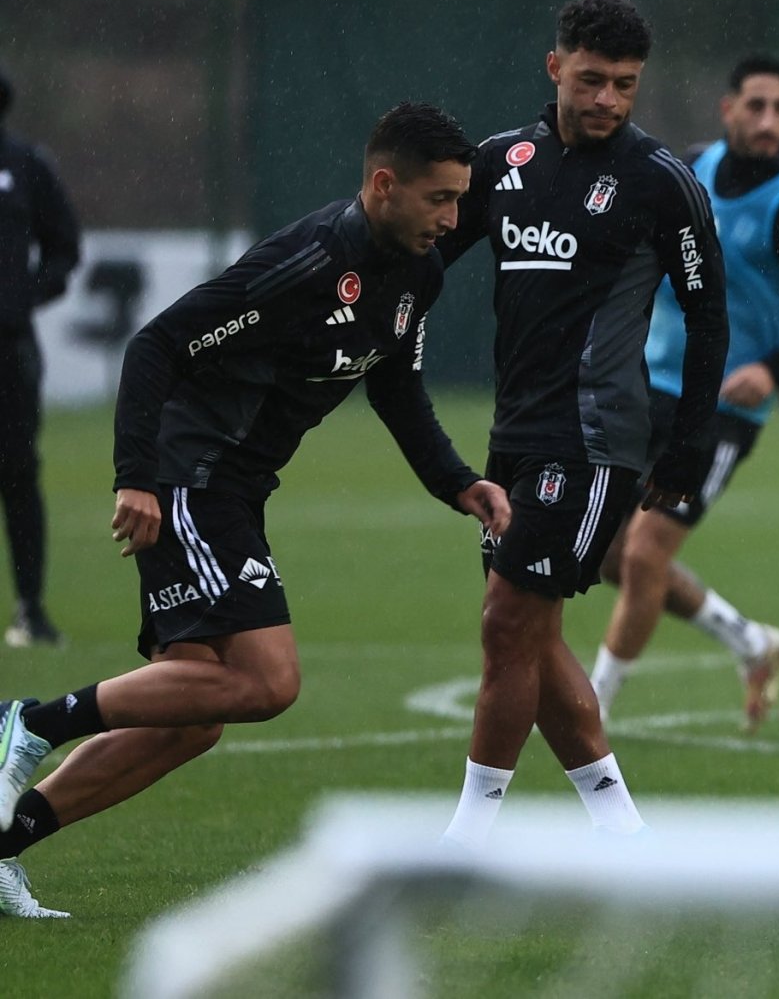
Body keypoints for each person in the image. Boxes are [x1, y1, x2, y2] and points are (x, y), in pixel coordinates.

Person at [0, 102, 511, 917]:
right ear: (384, 186)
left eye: (460, 200)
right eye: (440, 199)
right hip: (192, 478)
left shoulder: (422, 272)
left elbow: (396, 385)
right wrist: (136, 477)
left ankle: (3, 842)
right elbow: (157, 345)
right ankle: (25, 720)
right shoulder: (306, 262)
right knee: (268, 683)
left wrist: (457, 481)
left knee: (195, 712)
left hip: (233, 489)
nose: (455, 219)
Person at [434, 0, 728, 849]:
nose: (606, 100)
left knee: (505, 623)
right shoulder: (499, 163)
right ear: (555, 65)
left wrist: (689, 444)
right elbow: (426, 252)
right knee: (535, 630)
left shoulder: (659, 181)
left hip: (597, 440)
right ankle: (623, 830)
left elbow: (707, 316)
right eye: (591, 79)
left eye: (624, 85)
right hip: (513, 434)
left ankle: (466, 839)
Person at [590, 53, 779, 733]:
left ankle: (589, 710)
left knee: (647, 553)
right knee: (605, 557)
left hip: (719, 414)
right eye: (756, 106)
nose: (768, 121)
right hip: (646, 388)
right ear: (728, 109)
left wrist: (773, 371)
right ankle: (750, 641)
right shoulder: (688, 174)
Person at [0, 65, 81, 648]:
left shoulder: (25, 165)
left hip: (9, 348)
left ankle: (31, 607)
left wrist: (22, 297)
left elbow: (64, 249)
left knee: (18, 472)